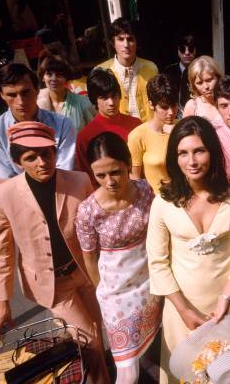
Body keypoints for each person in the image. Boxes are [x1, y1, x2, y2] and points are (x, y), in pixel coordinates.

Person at [0, 121, 109, 384]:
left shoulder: (79, 181)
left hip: (86, 274)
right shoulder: (1, 196)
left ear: (55, 152)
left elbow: (99, 225)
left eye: (47, 153)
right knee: (88, 343)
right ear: (19, 162)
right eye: (31, 157)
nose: (42, 162)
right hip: (53, 286)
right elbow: (1, 252)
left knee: (97, 335)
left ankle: (102, 375)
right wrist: (2, 303)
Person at [146, 116, 230, 384]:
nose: (192, 161)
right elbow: (158, 262)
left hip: (228, 307)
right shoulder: (163, 202)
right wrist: (183, 310)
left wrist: (225, 299)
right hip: (182, 310)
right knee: (190, 375)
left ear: (212, 150)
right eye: (183, 153)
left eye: (199, 150)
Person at [76, 132, 162, 384]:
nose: (109, 181)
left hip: (150, 283)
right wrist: (102, 292)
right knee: (127, 371)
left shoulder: (146, 191)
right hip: (116, 294)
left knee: (153, 343)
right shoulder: (88, 211)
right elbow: (89, 259)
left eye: (116, 172)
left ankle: (153, 368)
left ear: (127, 164)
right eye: (100, 175)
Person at [0, 63, 76, 201]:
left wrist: (8, 184)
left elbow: (64, 175)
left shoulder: (62, 124)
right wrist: (7, 185)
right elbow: (6, 189)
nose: (20, 101)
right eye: (12, 95)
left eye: (25, 92)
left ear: (37, 89)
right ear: (2, 95)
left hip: (62, 197)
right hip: (22, 204)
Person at [76, 68, 142, 184]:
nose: (111, 102)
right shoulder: (85, 137)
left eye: (114, 96)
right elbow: (89, 179)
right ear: (94, 100)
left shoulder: (136, 125)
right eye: (104, 98)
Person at [95, 17, 158, 121]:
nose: (126, 45)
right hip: (118, 132)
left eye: (130, 39)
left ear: (137, 41)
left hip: (147, 131)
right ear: (112, 43)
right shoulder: (102, 71)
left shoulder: (151, 68)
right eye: (120, 39)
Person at [128, 73, 177, 194]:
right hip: (155, 201)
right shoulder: (138, 135)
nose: (171, 112)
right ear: (151, 104)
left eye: (174, 105)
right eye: (164, 107)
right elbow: (135, 178)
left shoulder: (184, 128)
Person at [36, 54, 96, 133]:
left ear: (66, 78)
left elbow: (94, 132)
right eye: (49, 74)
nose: (53, 79)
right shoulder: (37, 104)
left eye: (59, 75)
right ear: (43, 77)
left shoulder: (83, 103)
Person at [182, 56, 223, 127]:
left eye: (209, 80)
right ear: (194, 85)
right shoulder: (192, 106)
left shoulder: (227, 101)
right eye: (199, 83)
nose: (206, 86)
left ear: (218, 77)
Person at [163, 33, 197, 116]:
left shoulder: (200, 71)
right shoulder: (168, 71)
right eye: (182, 49)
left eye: (191, 49)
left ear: (196, 50)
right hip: (171, 114)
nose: (187, 53)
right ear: (178, 51)